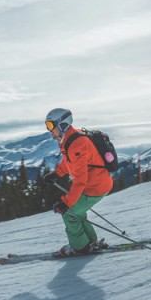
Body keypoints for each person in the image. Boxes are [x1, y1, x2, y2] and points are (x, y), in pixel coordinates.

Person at [43, 108, 113, 256]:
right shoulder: (70, 140)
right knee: (78, 213)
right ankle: (90, 242)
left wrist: (66, 203)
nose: (50, 131)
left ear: (62, 124)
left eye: (51, 126)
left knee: (69, 214)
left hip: (95, 187)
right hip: (95, 184)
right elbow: (68, 162)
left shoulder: (77, 144)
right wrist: (56, 174)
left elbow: (80, 181)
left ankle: (80, 247)